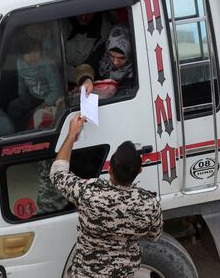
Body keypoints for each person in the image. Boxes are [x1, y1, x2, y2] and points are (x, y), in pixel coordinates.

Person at [50, 116, 163, 277]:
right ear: (140, 171)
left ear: (109, 169)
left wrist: (71, 135)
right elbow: (154, 236)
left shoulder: (89, 193)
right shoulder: (149, 204)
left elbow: (57, 174)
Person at [5, 34, 64, 133]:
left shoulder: (48, 65)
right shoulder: (20, 63)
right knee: (14, 106)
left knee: (36, 114)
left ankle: (28, 129)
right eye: (28, 53)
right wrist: (22, 95)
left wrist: (46, 103)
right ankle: (14, 131)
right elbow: (21, 80)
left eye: (36, 51)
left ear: (41, 52)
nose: (32, 56)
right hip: (33, 96)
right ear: (22, 54)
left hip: (50, 98)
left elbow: (57, 89)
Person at [76, 24, 135, 98]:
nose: (115, 62)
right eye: (112, 56)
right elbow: (87, 66)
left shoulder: (136, 71)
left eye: (122, 58)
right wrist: (86, 80)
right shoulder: (103, 53)